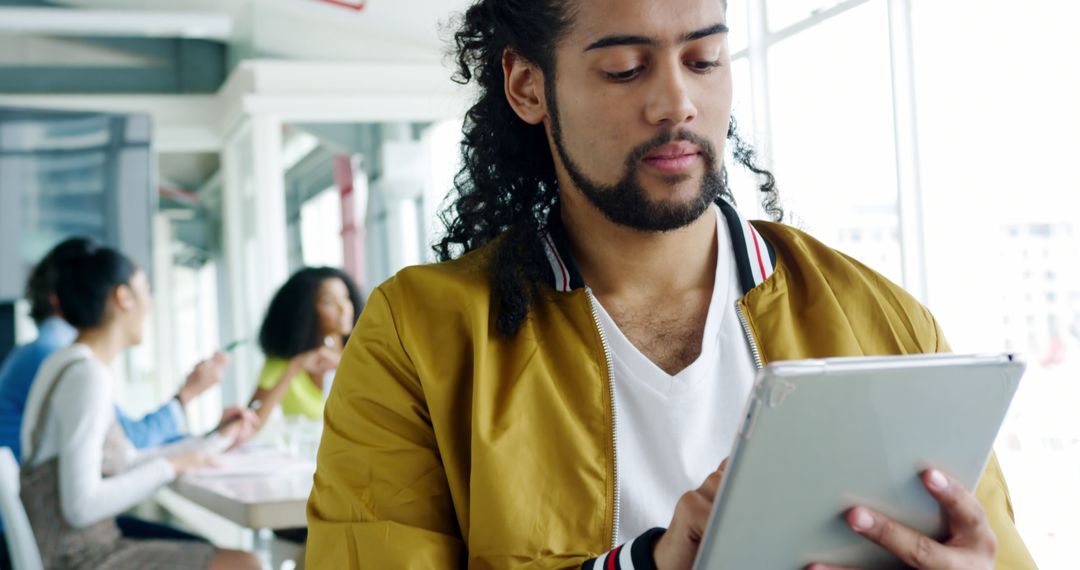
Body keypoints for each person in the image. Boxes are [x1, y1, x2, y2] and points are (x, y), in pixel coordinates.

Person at [307, 1, 1036, 569]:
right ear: (528, 86)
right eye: (625, 68)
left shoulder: (883, 323)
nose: (677, 102)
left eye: (705, 58)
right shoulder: (418, 337)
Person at [19, 241, 260, 569]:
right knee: (244, 564)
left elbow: (127, 459)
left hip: (81, 548)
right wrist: (171, 467)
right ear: (123, 297)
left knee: (236, 558)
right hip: (81, 557)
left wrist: (217, 440)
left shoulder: (71, 362)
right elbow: (81, 506)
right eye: (146, 289)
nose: (150, 303)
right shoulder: (86, 376)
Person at [0, 238, 228, 461]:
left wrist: (211, 438)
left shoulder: (52, 353)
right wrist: (186, 395)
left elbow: (120, 445)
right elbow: (130, 441)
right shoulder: (63, 359)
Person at [248, 267, 363, 427]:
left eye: (346, 297)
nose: (344, 308)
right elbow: (251, 424)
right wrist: (295, 366)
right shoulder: (281, 363)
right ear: (305, 311)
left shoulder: (364, 354)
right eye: (329, 302)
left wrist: (343, 365)